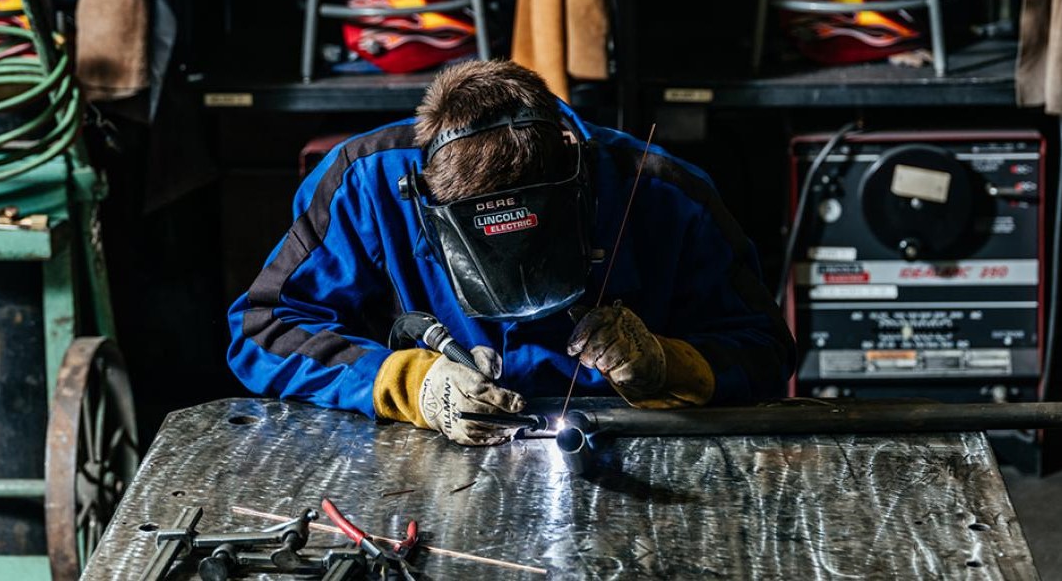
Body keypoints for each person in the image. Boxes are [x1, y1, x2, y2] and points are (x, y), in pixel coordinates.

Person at [227, 60, 795, 446]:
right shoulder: (369, 183)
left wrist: (670, 364)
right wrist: (406, 384)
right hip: (431, 456)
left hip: (624, 443)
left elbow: (766, 350)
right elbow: (264, 328)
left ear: (577, 177)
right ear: (426, 199)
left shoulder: (665, 194)